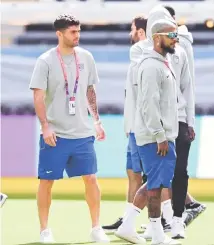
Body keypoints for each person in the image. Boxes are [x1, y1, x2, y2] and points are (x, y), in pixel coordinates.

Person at [29, 14, 109, 243]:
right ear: (60, 34)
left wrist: (97, 120)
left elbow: (90, 91)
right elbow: (38, 96)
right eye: (73, 32)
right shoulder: (45, 61)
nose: (77, 36)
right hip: (56, 134)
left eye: (79, 31)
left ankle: (96, 228)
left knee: (91, 179)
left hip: (83, 132)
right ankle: (45, 230)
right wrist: (45, 127)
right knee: (46, 182)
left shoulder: (86, 57)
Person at [134, 19, 181, 245]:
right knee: (155, 187)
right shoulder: (151, 66)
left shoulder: (163, 62)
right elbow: (148, 104)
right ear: (156, 38)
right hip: (156, 137)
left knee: (157, 183)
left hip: (163, 135)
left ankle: (134, 226)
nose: (176, 39)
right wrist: (160, 135)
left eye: (177, 35)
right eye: (171, 35)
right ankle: (158, 237)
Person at [102, 15, 147, 233]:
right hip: (133, 127)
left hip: (142, 128)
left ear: (140, 32)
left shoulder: (142, 54)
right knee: (133, 173)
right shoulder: (139, 58)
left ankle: (167, 217)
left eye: (132, 29)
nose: (130, 33)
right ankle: (127, 217)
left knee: (150, 175)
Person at [164, 5, 207, 232]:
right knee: (157, 172)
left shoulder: (181, 48)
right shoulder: (147, 51)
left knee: (178, 170)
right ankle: (162, 218)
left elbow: (188, 86)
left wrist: (190, 121)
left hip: (178, 118)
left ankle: (177, 219)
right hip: (158, 120)